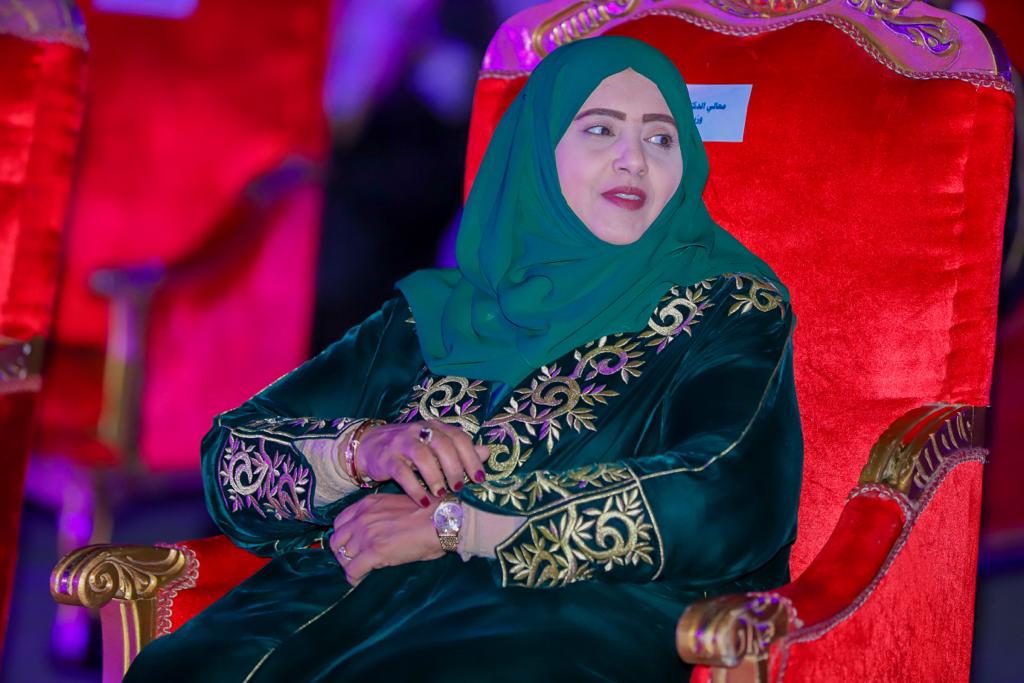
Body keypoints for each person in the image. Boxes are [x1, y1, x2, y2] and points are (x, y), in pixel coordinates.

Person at [125, 36, 803, 682]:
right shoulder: (436, 314)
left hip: (562, 615)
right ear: (535, 154)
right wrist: (365, 450)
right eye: (600, 129)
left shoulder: (727, 309)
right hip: (342, 600)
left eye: (661, 138)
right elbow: (233, 461)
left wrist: (460, 524)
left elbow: (724, 490)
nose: (634, 159)